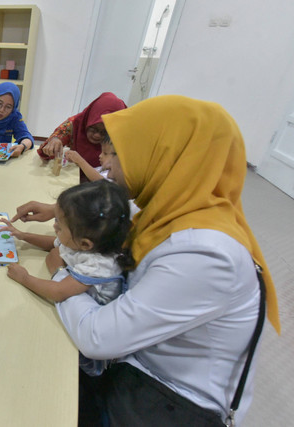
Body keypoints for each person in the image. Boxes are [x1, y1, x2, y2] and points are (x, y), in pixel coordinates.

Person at [15, 95, 281, 425]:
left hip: (163, 395)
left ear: (166, 155)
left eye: (117, 152)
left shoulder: (204, 253)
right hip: (135, 360)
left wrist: (59, 274)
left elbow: (98, 337)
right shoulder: (169, 209)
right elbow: (114, 217)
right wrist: (59, 212)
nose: (103, 161)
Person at [1, 181, 132, 376]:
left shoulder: (98, 265)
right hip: (72, 305)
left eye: (59, 226)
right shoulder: (83, 240)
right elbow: (53, 244)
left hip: (88, 336)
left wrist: (25, 278)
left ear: (85, 244)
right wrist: (22, 235)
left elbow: (59, 291)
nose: (54, 226)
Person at [38, 92, 126, 181]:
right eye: (93, 128)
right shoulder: (77, 123)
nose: (97, 135)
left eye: (104, 132)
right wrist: (55, 140)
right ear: (88, 119)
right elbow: (46, 150)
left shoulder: (121, 135)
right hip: (73, 177)